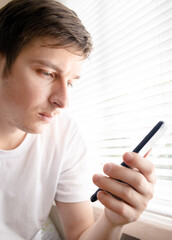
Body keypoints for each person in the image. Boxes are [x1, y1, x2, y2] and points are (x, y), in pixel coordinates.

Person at [0, 0, 156, 239]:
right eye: (47, 73)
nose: (63, 101)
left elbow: (79, 234)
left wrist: (113, 221)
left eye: (70, 83)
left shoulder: (64, 135)